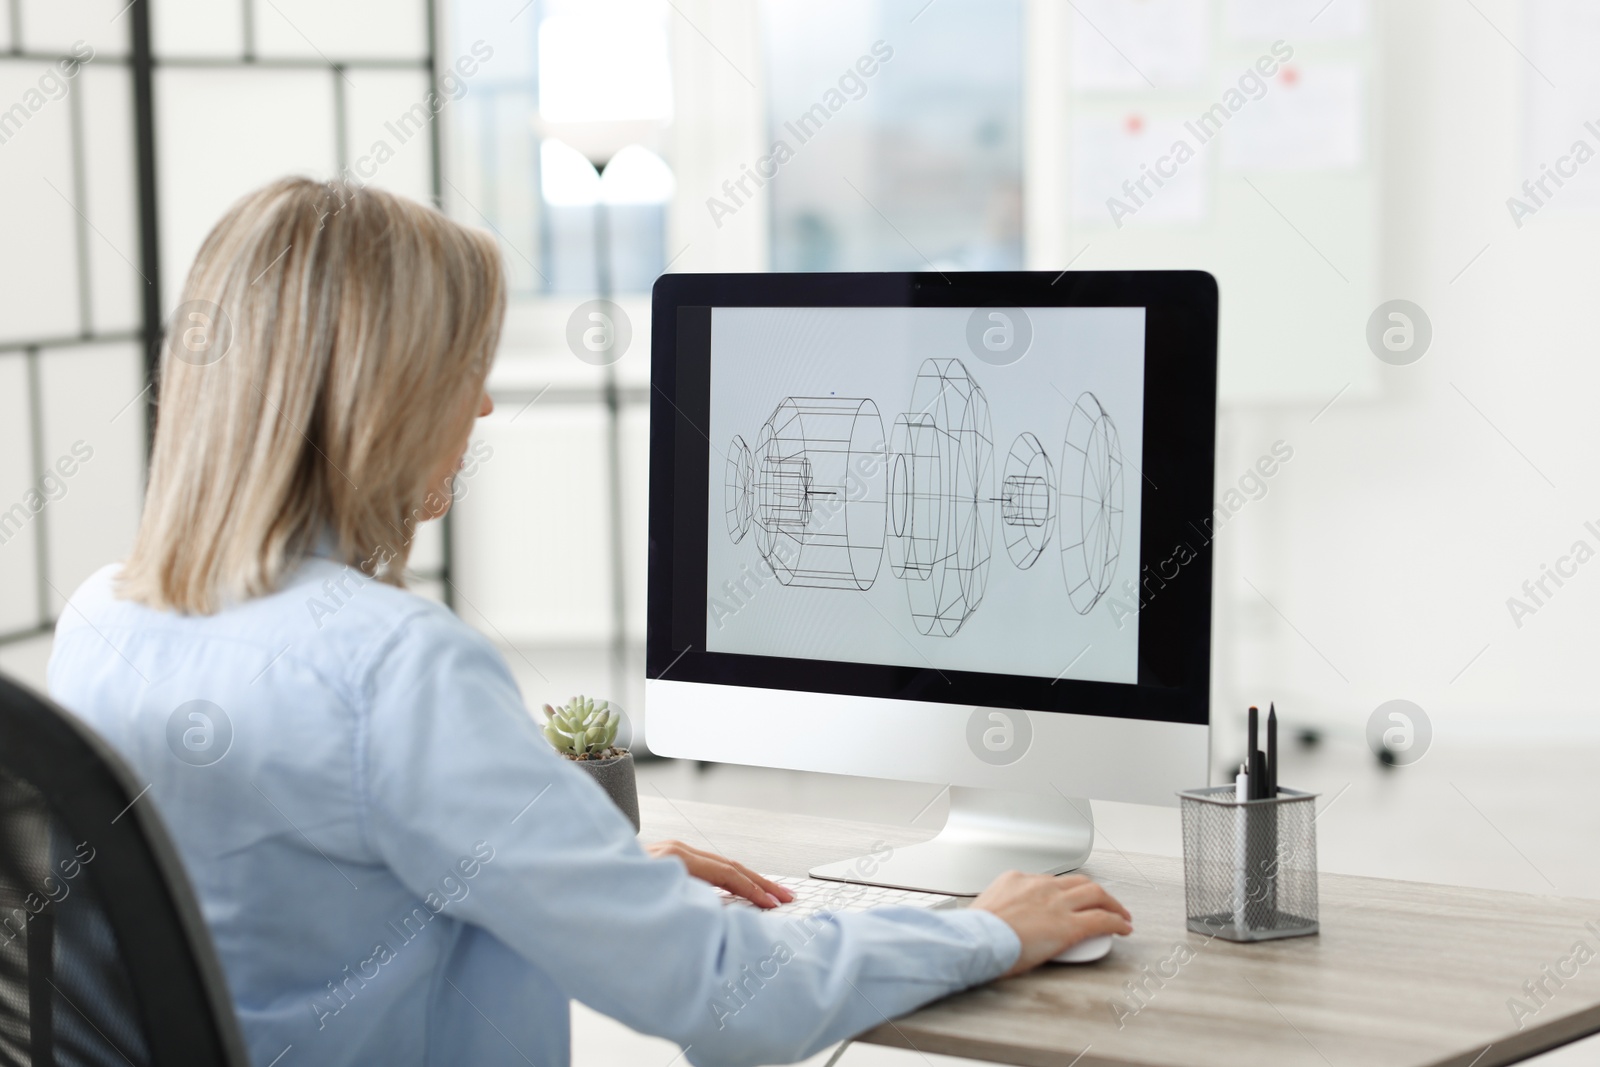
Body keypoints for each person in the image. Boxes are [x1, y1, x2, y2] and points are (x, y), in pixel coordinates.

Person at [48, 178, 1132, 1067]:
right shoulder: (391, 665)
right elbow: (726, 1000)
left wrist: (578, 864)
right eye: (464, 368)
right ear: (379, 395)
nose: (479, 408)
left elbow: (279, 908)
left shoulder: (104, 618)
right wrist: (983, 930)